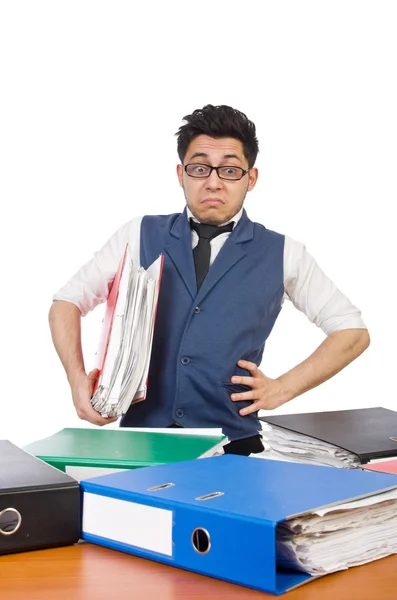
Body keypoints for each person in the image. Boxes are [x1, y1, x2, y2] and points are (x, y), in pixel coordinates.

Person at [49, 104, 370, 456]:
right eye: (200, 168)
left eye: (230, 170)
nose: (213, 182)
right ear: (180, 173)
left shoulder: (284, 252)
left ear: (251, 178)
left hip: (235, 445)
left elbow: (351, 332)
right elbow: (67, 302)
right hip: (141, 443)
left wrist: (283, 388)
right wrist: (78, 382)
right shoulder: (138, 233)